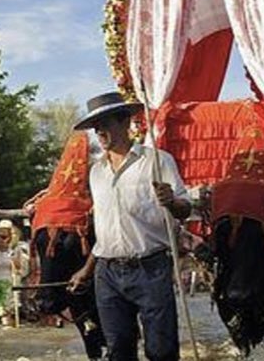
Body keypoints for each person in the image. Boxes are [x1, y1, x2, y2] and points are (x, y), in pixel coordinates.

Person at [67, 91, 191, 361]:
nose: (98, 131)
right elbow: (104, 230)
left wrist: (171, 202)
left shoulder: (157, 161)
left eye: (105, 123)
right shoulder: (96, 172)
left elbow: (185, 210)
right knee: (118, 351)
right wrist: (86, 270)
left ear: (125, 122)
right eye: (94, 126)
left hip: (150, 268)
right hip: (107, 274)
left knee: (161, 351)